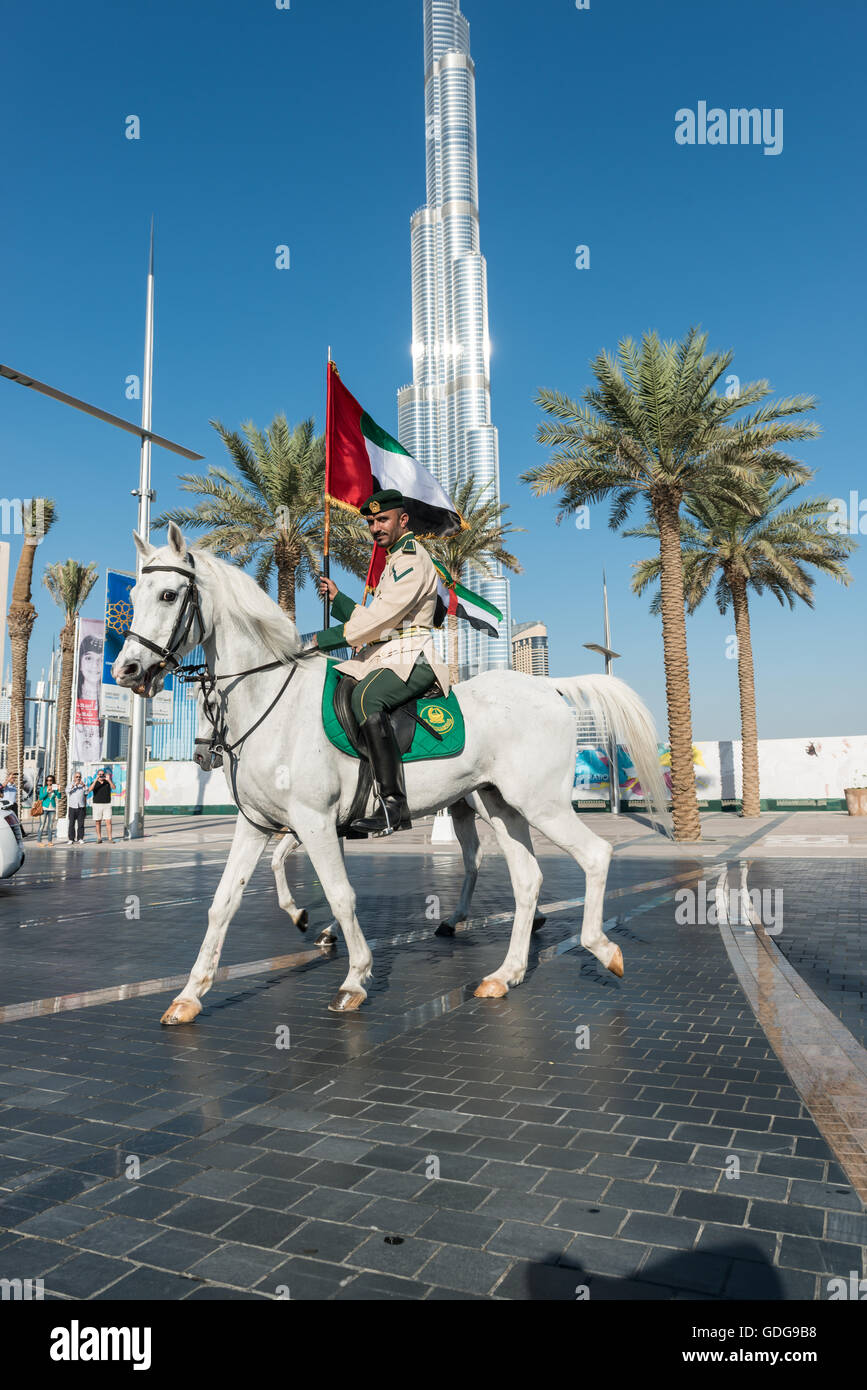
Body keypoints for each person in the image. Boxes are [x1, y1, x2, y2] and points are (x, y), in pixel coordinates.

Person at [313, 489, 450, 835]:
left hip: (411, 658)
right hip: (387, 654)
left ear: (402, 520)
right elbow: (376, 616)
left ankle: (393, 805)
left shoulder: (410, 559)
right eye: (371, 522)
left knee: (366, 698)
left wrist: (322, 639)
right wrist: (338, 599)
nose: (375, 527)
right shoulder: (393, 562)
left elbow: (383, 620)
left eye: (382, 519)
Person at [87, 768, 116, 843]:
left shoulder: (107, 782)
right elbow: (89, 789)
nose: (101, 776)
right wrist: (96, 780)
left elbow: (114, 787)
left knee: (108, 821)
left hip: (107, 804)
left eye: (103, 774)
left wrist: (109, 780)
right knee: (98, 822)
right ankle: (99, 838)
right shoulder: (94, 782)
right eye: (100, 774)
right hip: (97, 804)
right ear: (97, 775)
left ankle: (110, 838)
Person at [35, 775, 61, 845]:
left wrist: (58, 790)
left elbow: (59, 797)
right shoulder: (43, 788)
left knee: (50, 826)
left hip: (52, 808)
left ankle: (50, 841)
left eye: (50, 780)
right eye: (47, 780)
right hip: (44, 808)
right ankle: (39, 841)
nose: (49, 782)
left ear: (53, 781)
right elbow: (40, 797)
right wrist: (47, 791)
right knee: (42, 824)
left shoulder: (55, 788)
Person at [66, 772, 87, 844]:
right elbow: (67, 791)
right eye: (77, 777)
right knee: (71, 824)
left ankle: (80, 838)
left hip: (81, 807)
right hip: (72, 807)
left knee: (81, 824)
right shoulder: (70, 784)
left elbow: (87, 792)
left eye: (79, 777)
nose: (78, 778)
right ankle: (71, 839)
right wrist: (74, 785)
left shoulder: (83, 785)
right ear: (74, 778)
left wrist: (84, 786)